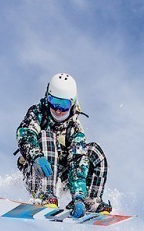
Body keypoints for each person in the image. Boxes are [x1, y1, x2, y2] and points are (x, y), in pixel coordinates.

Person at [16, 73, 111, 218]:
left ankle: (90, 200)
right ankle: (45, 194)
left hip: (64, 177)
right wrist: (35, 156)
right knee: (47, 136)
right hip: (36, 172)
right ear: (47, 98)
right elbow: (25, 133)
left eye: (64, 105)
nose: (58, 110)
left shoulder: (75, 127)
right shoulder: (38, 113)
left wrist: (78, 196)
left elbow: (78, 161)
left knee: (94, 151)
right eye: (54, 102)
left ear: (72, 103)